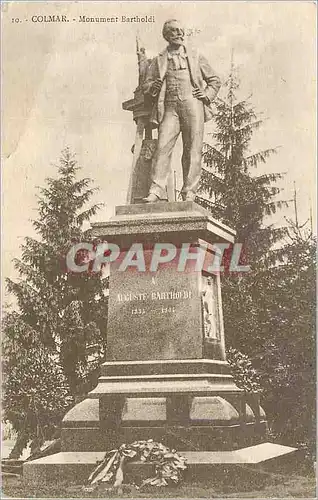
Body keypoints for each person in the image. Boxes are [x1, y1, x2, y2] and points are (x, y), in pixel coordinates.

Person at [142, 19, 221, 202]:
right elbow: (146, 86)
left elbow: (215, 80)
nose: (180, 34)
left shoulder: (195, 56)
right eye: (175, 31)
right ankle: (156, 190)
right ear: (167, 35)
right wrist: (152, 87)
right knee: (162, 147)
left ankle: (189, 192)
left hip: (192, 104)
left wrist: (206, 94)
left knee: (193, 149)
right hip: (169, 107)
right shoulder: (159, 60)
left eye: (181, 31)